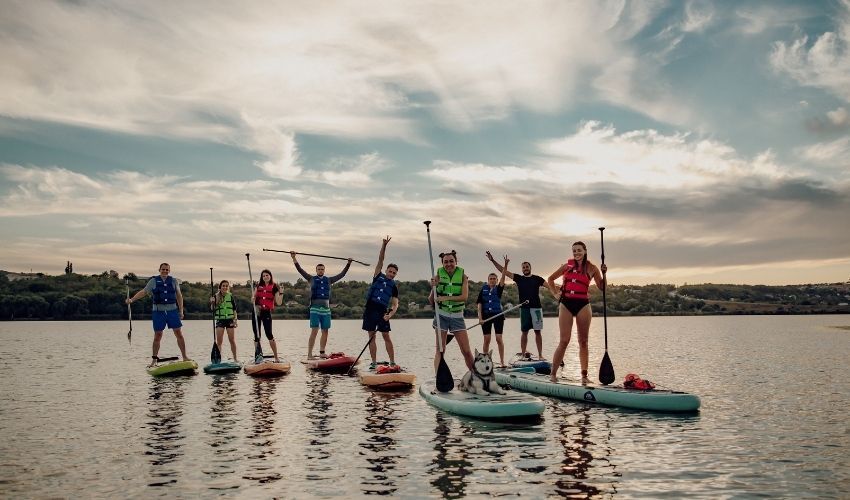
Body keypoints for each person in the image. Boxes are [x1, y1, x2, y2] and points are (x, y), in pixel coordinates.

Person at [547, 241, 607, 384]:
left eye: (579, 250)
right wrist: (555, 294)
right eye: (574, 251)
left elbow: (602, 287)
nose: (576, 253)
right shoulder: (567, 266)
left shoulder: (592, 268)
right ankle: (553, 374)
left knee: (583, 341)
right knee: (564, 340)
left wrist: (604, 274)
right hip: (566, 303)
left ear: (585, 251)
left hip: (583, 305)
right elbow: (550, 279)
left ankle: (584, 376)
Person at [486, 251, 547, 359]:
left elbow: (550, 286)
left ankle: (540, 355)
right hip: (524, 309)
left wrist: (558, 292)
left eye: (527, 267)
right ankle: (523, 355)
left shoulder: (538, 279)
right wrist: (492, 260)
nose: (525, 268)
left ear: (530, 268)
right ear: (522, 269)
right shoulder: (519, 278)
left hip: (536, 309)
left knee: (538, 332)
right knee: (524, 332)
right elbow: (503, 271)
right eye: (523, 267)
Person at [291, 251, 352, 359]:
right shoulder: (311, 279)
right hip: (315, 309)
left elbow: (342, 274)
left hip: (326, 309)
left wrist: (348, 263)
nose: (320, 270)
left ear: (324, 270)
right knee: (314, 330)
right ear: (316, 270)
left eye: (322, 269)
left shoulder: (329, 280)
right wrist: (294, 258)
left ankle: (322, 352)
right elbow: (300, 270)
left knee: (325, 331)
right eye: (319, 269)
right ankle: (309, 354)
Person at [126, 263, 190, 366]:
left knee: (178, 333)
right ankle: (154, 360)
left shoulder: (174, 281)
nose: (165, 271)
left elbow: (179, 296)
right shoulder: (153, 281)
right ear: (159, 270)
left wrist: (181, 311)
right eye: (163, 269)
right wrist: (132, 300)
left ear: (169, 270)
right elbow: (144, 292)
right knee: (158, 335)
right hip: (158, 312)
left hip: (172, 311)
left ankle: (185, 357)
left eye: (167, 269)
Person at [429, 250, 474, 374]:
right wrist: (433, 287)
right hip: (441, 315)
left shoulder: (463, 276)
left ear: (456, 261)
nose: (448, 264)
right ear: (442, 263)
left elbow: (464, 297)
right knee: (440, 350)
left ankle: (476, 376)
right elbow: (431, 300)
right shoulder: (438, 275)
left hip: (457, 316)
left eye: (451, 261)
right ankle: (439, 378)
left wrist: (445, 298)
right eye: (446, 262)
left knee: (466, 351)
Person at [362, 236, 399, 368]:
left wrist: (390, 315)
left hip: (382, 312)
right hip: (370, 309)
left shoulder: (394, 286)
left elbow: (395, 304)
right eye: (390, 271)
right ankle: (373, 363)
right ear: (386, 270)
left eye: (394, 273)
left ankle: (392, 362)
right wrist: (384, 246)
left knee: (386, 336)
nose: (391, 274)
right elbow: (380, 260)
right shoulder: (378, 275)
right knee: (371, 336)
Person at [477, 255, 509, 367]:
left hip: (498, 316)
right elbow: (479, 305)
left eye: (494, 279)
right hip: (486, 316)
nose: (492, 280)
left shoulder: (499, 288)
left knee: (499, 338)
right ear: (488, 280)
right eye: (490, 278)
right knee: (487, 339)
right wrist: (480, 318)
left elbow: (503, 277)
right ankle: (485, 361)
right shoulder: (483, 289)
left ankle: (502, 361)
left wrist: (505, 265)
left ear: (496, 280)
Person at [252, 269, 283, 362]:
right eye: (263, 276)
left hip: (266, 312)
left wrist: (281, 293)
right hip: (257, 312)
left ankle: (276, 357)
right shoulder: (258, 286)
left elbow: (279, 302)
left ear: (270, 276)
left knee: (269, 334)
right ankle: (258, 356)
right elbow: (252, 299)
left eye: (267, 275)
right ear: (262, 277)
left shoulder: (275, 287)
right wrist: (253, 298)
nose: (265, 277)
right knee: (257, 335)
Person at [209, 280, 238, 360]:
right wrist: (212, 302)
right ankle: (218, 359)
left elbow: (234, 310)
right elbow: (212, 309)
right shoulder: (216, 296)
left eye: (226, 286)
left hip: (230, 320)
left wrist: (235, 320)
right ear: (220, 287)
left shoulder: (230, 296)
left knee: (232, 340)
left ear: (228, 287)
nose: (225, 287)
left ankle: (235, 358)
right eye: (223, 286)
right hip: (220, 320)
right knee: (219, 342)